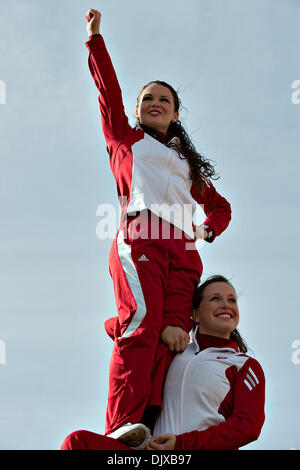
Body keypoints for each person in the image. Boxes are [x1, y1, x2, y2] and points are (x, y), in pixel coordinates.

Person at [84, 8, 232, 445]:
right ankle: (119, 425)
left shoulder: (189, 167)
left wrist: (207, 231)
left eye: (164, 100)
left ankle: (148, 423)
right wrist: (95, 40)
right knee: (142, 325)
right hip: (141, 238)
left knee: (173, 339)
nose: (155, 103)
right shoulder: (126, 141)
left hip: (184, 252)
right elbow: (107, 91)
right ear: (137, 110)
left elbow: (221, 207)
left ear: (175, 113)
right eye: (148, 98)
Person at [61, 275, 265, 451]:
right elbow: (115, 326)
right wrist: (160, 331)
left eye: (232, 300)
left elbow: (248, 426)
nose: (226, 305)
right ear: (194, 314)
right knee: (78, 443)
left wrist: (180, 444)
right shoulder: (173, 349)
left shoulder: (243, 365)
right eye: (215, 298)